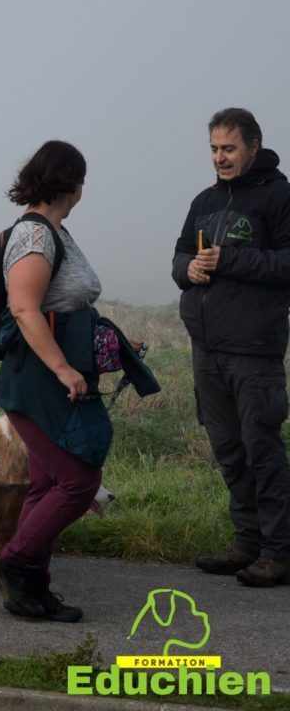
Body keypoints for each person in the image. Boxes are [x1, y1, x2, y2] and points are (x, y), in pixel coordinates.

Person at [0, 141, 112, 623]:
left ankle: (32, 586)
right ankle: (13, 563)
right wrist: (63, 368)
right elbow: (23, 308)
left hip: (52, 378)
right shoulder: (35, 237)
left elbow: (68, 304)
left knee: (46, 481)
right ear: (71, 183)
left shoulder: (57, 231)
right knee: (79, 480)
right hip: (40, 382)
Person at [172, 107, 290, 587]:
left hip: (254, 348)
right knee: (229, 449)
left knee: (262, 449)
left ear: (253, 147)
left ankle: (280, 551)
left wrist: (230, 260)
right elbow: (180, 253)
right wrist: (189, 271)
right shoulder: (204, 200)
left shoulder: (279, 195)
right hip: (208, 347)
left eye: (229, 148)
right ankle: (247, 543)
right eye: (215, 149)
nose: (220, 157)